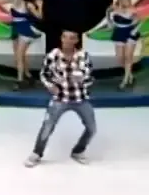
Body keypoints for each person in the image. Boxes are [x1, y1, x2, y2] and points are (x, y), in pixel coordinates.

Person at [24, 30, 96, 168]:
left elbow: (91, 76)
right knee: (47, 127)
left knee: (92, 129)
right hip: (59, 99)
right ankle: (37, 153)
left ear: (76, 40)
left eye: (72, 38)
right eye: (66, 37)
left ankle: (78, 151)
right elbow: (44, 74)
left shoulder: (84, 56)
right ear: (61, 39)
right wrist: (50, 86)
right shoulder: (53, 55)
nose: (68, 41)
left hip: (80, 98)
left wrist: (83, 80)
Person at [0, 0, 43, 90]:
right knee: (19, 56)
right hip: (16, 28)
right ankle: (29, 76)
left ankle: (20, 81)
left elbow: (39, 17)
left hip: (25, 30)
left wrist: (40, 6)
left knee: (19, 56)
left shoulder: (28, 4)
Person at [107, 0, 139, 90]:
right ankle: (130, 75)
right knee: (120, 57)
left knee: (128, 57)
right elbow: (108, 11)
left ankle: (125, 80)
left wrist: (134, 30)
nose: (128, 1)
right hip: (118, 32)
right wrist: (109, 22)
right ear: (120, 0)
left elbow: (139, 21)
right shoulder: (114, 8)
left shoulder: (133, 9)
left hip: (130, 33)